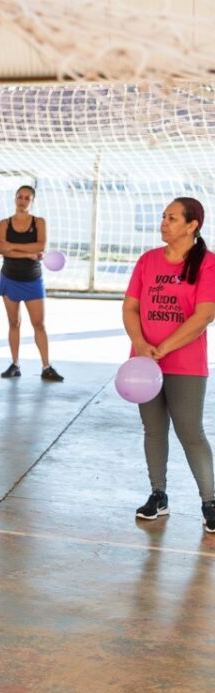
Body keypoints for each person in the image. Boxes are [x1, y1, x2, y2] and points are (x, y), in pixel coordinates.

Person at [124, 197, 215, 530]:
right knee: (154, 430)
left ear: (192, 226)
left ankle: (210, 501)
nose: (164, 222)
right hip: (144, 365)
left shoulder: (207, 264)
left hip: (185, 364)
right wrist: (141, 345)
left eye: (172, 218)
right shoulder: (147, 261)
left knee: (190, 432)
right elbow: (131, 307)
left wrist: (163, 347)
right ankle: (158, 496)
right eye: (163, 216)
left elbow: (204, 315)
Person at [0, 185, 63, 381]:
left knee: (39, 324)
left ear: (32, 201)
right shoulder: (4, 224)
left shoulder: (39, 222)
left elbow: (41, 245)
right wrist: (27, 253)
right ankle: (15, 364)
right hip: (9, 278)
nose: (22, 201)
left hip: (32, 279)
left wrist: (13, 247)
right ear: (15, 198)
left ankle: (46, 366)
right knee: (14, 323)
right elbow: (1, 248)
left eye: (27, 198)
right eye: (20, 197)